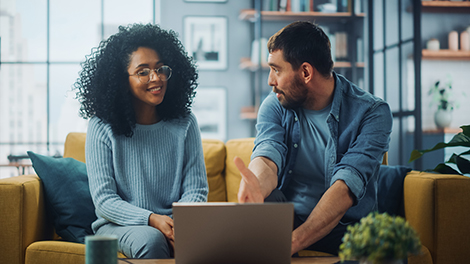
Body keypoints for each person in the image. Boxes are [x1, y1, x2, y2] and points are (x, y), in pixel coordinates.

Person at [234, 21, 393, 256]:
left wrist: (293, 242)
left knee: (387, 252)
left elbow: (346, 186)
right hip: (288, 217)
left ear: (306, 72)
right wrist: (256, 184)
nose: (270, 80)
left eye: (276, 70)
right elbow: (268, 157)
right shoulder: (275, 103)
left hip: (345, 227)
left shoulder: (372, 112)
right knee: (268, 202)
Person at [74, 23, 208, 259]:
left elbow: (196, 190)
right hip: (118, 225)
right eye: (143, 71)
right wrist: (151, 219)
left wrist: (177, 227)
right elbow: (105, 201)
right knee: (151, 239)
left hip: (174, 222)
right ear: (120, 79)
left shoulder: (185, 122)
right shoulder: (101, 126)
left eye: (160, 69)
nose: (156, 78)